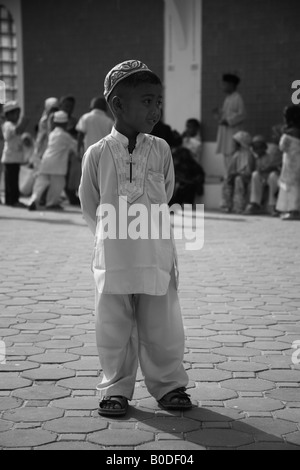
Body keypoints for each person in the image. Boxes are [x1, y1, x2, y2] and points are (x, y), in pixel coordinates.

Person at [79, 59, 191, 417]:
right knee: (113, 324)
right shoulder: (96, 154)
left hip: (155, 252)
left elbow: (167, 191)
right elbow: (90, 203)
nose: (156, 109)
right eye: (147, 101)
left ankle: (170, 385)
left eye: (158, 101)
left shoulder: (160, 149)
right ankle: (116, 388)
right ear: (117, 105)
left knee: (164, 322)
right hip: (113, 254)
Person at [28, 110, 77, 210]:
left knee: (40, 184)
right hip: (57, 166)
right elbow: (75, 146)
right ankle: (51, 203)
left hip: (45, 162)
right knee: (58, 184)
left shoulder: (52, 134)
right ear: (65, 123)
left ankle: (33, 200)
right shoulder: (65, 136)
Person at [215, 73, 246, 176]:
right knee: (226, 154)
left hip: (233, 132)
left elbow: (242, 115)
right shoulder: (228, 98)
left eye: (224, 84)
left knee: (232, 153)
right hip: (225, 132)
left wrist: (228, 121)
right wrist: (220, 113)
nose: (222, 86)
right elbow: (227, 112)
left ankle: (232, 176)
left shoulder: (238, 98)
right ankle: (228, 175)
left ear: (231, 84)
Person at [1, 101, 29, 207]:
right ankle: (13, 200)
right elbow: (16, 131)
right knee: (12, 181)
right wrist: (23, 123)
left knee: (12, 180)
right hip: (10, 158)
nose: (17, 116)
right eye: (15, 114)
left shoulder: (12, 124)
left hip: (14, 158)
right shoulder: (8, 125)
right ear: (8, 115)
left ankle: (11, 200)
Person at [245, 135, 281, 216]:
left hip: (271, 178)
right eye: (255, 148)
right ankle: (255, 203)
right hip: (262, 179)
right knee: (255, 174)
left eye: (259, 147)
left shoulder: (271, 155)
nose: (258, 150)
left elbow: (276, 168)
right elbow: (250, 171)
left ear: (264, 147)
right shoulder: (255, 158)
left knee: (273, 176)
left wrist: (267, 169)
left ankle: (273, 205)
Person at [276, 105, 300, 220]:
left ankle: (293, 211)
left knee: (292, 187)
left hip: (291, 163)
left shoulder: (289, 133)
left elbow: (282, 147)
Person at [222, 130, 254, 213]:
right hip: (236, 175)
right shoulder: (236, 154)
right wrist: (229, 175)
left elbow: (248, 171)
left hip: (245, 177)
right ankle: (227, 205)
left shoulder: (248, 154)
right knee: (226, 179)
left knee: (238, 179)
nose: (233, 144)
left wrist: (236, 174)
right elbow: (230, 169)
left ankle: (239, 206)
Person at [59, 95, 80, 205]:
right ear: (60, 106)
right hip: (58, 152)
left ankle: (71, 195)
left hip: (70, 153)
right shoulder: (54, 118)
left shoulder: (74, 120)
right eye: (66, 106)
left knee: (72, 174)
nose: (69, 109)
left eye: (71, 106)